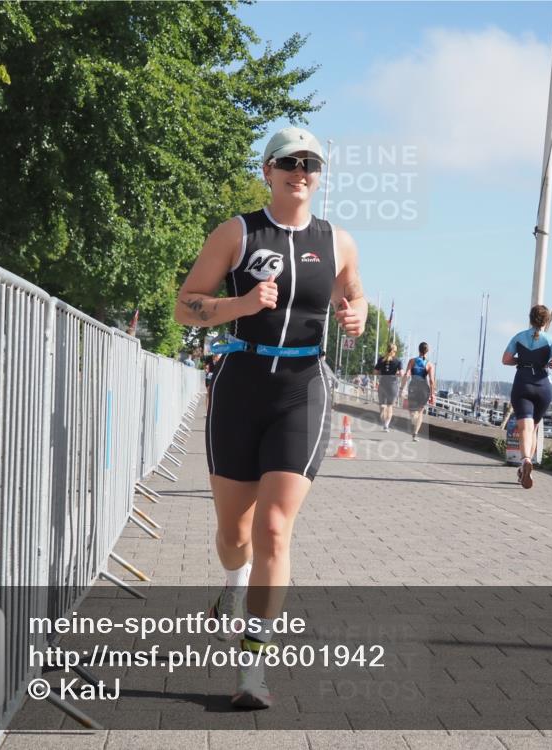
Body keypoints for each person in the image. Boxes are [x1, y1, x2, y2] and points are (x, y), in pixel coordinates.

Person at [174, 125, 366, 709]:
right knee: (235, 537)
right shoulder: (236, 232)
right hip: (241, 384)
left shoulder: (338, 242)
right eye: (289, 161)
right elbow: (185, 306)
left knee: (275, 528)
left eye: (311, 162)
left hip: (302, 389)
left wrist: (354, 315)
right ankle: (233, 583)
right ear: (268, 170)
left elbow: (355, 294)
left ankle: (252, 669)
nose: (300, 170)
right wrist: (241, 304)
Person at [502, 305, 552, 489]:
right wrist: (548, 364)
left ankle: (525, 460)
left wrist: (520, 360)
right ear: (547, 321)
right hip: (542, 385)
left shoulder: (519, 337)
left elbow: (505, 359)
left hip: (522, 382)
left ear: (530, 319)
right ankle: (526, 466)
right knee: (534, 428)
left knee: (524, 428)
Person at [402, 342, 436, 441]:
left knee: (413, 411)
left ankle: (415, 426)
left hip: (413, 387)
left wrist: (402, 387)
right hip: (424, 389)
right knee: (420, 411)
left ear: (418, 349)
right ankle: (415, 434)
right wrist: (432, 395)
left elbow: (407, 374)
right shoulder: (429, 364)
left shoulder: (412, 361)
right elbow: (432, 381)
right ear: (427, 351)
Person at [373, 343, 403, 431]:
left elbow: (375, 372)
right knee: (390, 406)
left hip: (382, 384)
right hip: (393, 385)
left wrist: (382, 373)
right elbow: (401, 374)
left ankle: (383, 418)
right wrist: (396, 373)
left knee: (382, 406)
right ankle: (386, 425)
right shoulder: (398, 361)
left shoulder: (381, 359)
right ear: (394, 351)